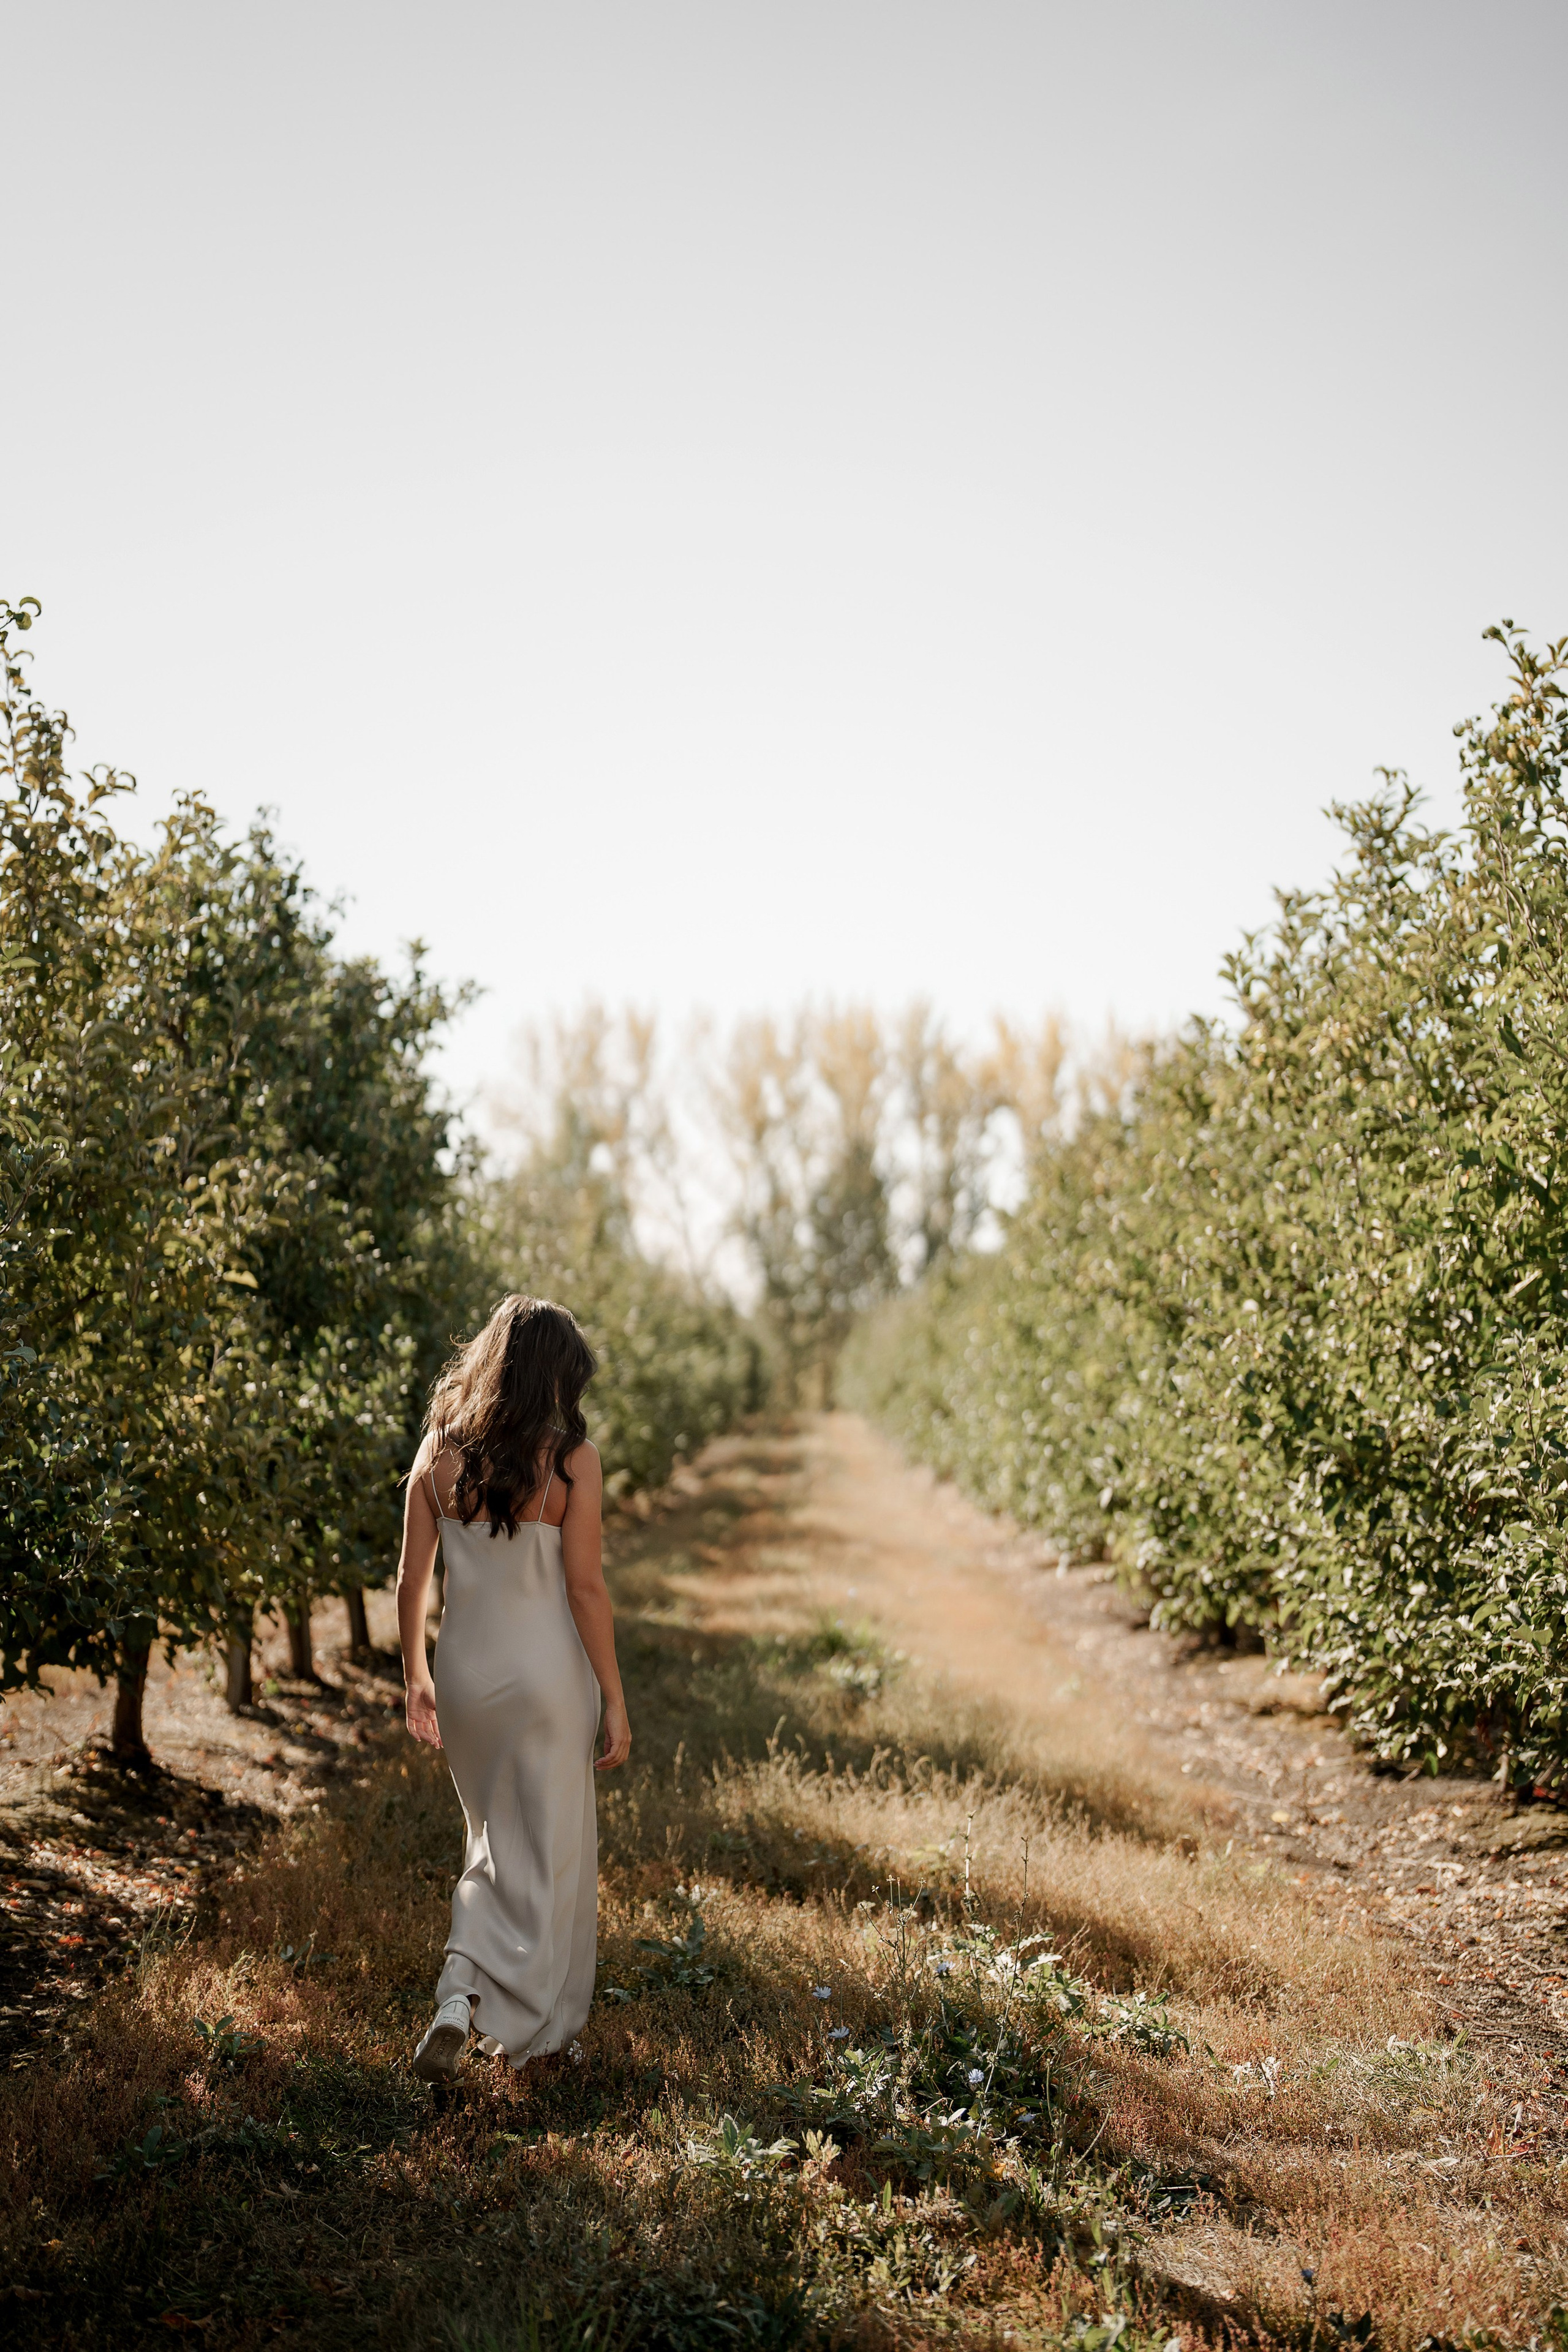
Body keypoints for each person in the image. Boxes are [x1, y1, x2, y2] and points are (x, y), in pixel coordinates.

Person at [395, 1294, 631, 2082]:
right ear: (556, 1379)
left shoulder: (437, 1453)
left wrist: (415, 1677)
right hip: (547, 1679)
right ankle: (525, 2027)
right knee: (548, 1847)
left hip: (465, 1677)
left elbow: (410, 1579)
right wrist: (615, 1699)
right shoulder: (571, 1461)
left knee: (490, 1837)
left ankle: (462, 1991)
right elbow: (586, 1590)